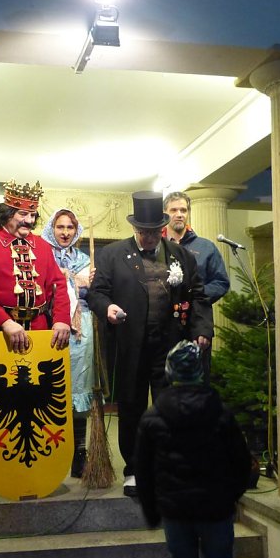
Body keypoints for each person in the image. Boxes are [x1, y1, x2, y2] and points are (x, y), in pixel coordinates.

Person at [88, 191, 213, 497]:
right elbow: (97, 293)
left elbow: (197, 296)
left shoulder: (181, 256)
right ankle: (134, 469)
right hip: (130, 345)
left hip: (170, 345)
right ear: (135, 230)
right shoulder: (113, 255)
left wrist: (202, 329)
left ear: (162, 229)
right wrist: (108, 308)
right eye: (141, 232)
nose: (146, 237)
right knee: (131, 408)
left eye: (152, 232)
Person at [0, 180, 71, 504]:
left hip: (37, 331)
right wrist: (4, 322)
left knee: (36, 408)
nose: (29, 222)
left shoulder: (43, 247)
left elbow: (58, 286)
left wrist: (62, 318)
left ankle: (32, 473)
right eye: (23, 215)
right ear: (6, 213)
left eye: (33, 216)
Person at [135, 340, 251, 558]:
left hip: (176, 512)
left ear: (169, 372)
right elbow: (241, 462)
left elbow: (143, 471)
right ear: (200, 371)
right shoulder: (220, 412)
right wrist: (231, 497)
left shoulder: (153, 417)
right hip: (215, 510)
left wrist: (153, 511)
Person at [41, 208, 94, 477]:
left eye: (70, 228)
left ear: (76, 231)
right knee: (50, 386)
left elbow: (94, 295)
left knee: (79, 386)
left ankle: (80, 452)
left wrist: (89, 283)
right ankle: (50, 449)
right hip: (51, 323)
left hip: (81, 328)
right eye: (60, 227)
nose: (65, 232)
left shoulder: (85, 259)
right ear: (52, 229)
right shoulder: (41, 255)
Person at [163, 191, 230, 382]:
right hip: (165, 325)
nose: (179, 214)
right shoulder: (157, 247)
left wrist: (194, 295)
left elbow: (221, 282)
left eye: (183, 210)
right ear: (165, 214)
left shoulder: (206, 247)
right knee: (164, 382)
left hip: (197, 323)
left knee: (198, 381)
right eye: (174, 210)